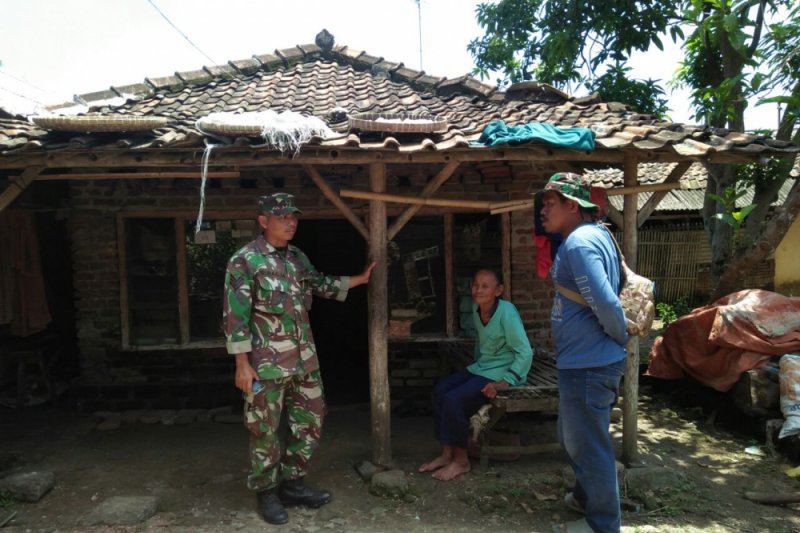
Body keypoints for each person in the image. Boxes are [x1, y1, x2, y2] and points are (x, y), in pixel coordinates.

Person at [223, 192, 375, 525]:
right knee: (264, 429)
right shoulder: (245, 260)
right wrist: (242, 364)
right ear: (264, 221)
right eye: (282, 217)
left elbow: (319, 284)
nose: (291, 222)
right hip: (265, 364)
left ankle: (293, 483)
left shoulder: (296, 258)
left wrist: (360, 279)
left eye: (293, 216)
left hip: (304, 361)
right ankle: (266, 491)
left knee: (311, 421)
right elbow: (235, 317)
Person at [536, 173, 628, 533]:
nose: (543, 210)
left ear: (572, 205)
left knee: (589, 446)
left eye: (550, 203)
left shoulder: (578, 245)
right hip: (585, 361)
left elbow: (605, 302)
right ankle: (584, 498)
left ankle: (603, 525)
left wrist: (618, 337)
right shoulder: (596, 235)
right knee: (575, 438)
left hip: (590, 363)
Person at [418, 268, 533, 481]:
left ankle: (461, 461)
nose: (477, 290)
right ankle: (446, 454)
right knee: (440, 391)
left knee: (454, 400)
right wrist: (473, 367)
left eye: (485, 286)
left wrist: (505, 381)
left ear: (498, 290)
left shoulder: (506, 312)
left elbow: (525, 351)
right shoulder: (477, 308)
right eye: (475, 285)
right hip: (482, 367)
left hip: (503, 372)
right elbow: (481, 343)